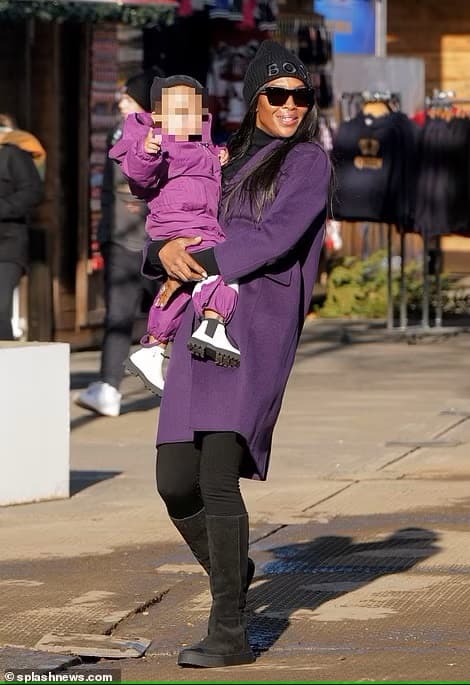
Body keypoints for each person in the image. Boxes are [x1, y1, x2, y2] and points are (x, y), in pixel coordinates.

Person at [146, 40, 330, 668]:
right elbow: (174, 214)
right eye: (277, 95)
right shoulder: (217, 160)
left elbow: (275, 236)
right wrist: (162, 254)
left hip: (253, 333)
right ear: (255, 100)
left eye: (301, 96)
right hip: (198, 325)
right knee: (175, 481)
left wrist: (199, 258)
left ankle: (230, 631)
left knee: (217, 477)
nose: (290, 106)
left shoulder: (307, 162)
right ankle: (235, 566)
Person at [109, 75, 240, 396]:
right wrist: (147, 151)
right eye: (176, 110)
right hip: (179, 224)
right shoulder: (156, 142)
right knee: (225, 269)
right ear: (159, 115)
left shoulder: (203, 145)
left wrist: (220, 157)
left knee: (181, 284)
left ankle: (153, 347)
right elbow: (139, 176)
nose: (185, 118)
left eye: (192, 111)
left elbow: (208, 177)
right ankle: (213, 323)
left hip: (203, 223)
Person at [75, 69, 161, 417]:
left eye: (127, 95)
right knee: (158, 312)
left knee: (122, 315)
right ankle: (111, 385)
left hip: (135, 239)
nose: (120, 100)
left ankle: (110, 387)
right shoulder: (159, 131)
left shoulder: (135, 132)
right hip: (145, 239)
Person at [0, 137, 43, 340]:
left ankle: (4, 367)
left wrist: (3, 207)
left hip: (7, 244)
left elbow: (32, 191)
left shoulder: (12, 154)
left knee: (0, 309)